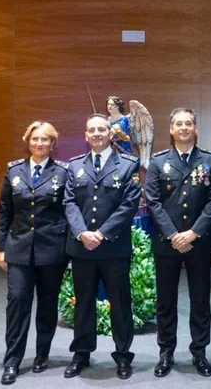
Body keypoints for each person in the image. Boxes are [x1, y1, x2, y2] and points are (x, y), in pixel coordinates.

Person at [62, 113, 142, 380]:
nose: (96, 134)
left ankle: (122, 356)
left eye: (101, 129)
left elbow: (129, 205)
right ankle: (81, 354)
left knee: (119, 303)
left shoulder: (128, 164)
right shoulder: (74, 166)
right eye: (91, 130)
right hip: (82, 247)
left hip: (114, 248)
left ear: (111, 134)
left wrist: (102, 234)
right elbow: (69, 203)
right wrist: (83, 233)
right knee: (83, 303)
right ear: (85, 135)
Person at [145, 108, 211, 378]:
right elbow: (152, 202)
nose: (184, 128)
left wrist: (193, 233)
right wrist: (173, 234)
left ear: (195, 128)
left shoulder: (210, 161)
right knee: (166, 301)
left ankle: (199, 353)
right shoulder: (158, 162)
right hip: (167, 244)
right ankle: (166, 352)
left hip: (198, 243)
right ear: (171, 129)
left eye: (189, 123)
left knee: (200, 300)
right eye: (179, 123)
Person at [0, 121, 70, 385]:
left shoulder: (63, 172)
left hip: (52, 250)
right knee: (17, 302)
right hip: (18, 249)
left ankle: (42, 354)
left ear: (53, 144)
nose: (40, 144)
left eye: (45, 140)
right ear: (28, 141)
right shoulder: (13, 170)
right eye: (35, 139)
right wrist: (1, 248)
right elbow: (4, 211)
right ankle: (12, 360)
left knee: (47, 304)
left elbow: (69, 211)